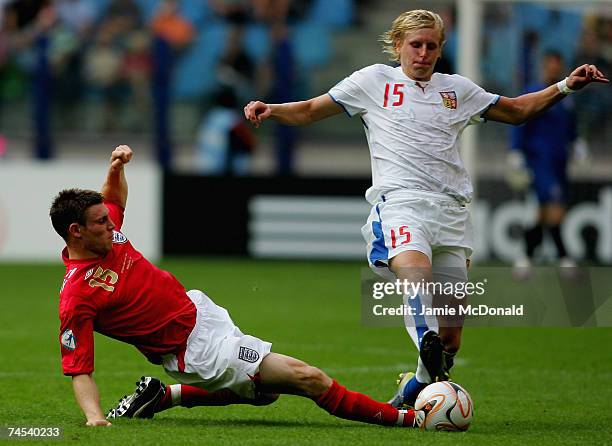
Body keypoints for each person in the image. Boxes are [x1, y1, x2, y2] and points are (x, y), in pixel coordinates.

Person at [243, 9, 608, 408]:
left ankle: (414, 385)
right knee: (414, 274)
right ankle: (424, 340)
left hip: (451, 213)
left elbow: (518, 110)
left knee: (451, 338)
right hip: (401, 203)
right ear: (398, 45)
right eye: (415, 45)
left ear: (440, 49)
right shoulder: (372, 81)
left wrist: (565, 86)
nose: (423, 53)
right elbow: (312, 109)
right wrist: (272, 109)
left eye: (431, 46)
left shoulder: (458, 90)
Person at [50, 145, 427, 428]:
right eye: (100, 222)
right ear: (76, 232)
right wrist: (94, 418)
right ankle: (408, 419)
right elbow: (79, 368)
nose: (112, 224)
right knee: (309, 378)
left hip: (200, 311)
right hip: (195, 351)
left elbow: (113, 199)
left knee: (267, 394)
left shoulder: (106, 232)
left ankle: (163, 396)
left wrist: (115, 167)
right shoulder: (77, 295)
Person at [507, 50, 583, 277]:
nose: (553, 69)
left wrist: (577, 142)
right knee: (554, 210)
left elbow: (570, 128)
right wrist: (516, 151)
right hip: (539, 161)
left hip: (560, 162)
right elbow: (520, 119)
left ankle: (526, 257)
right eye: (550, 65)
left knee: (542, 212)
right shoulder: (534, 93)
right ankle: (564, 258)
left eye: (557, 65)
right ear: (544, 66)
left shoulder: (567, 98)